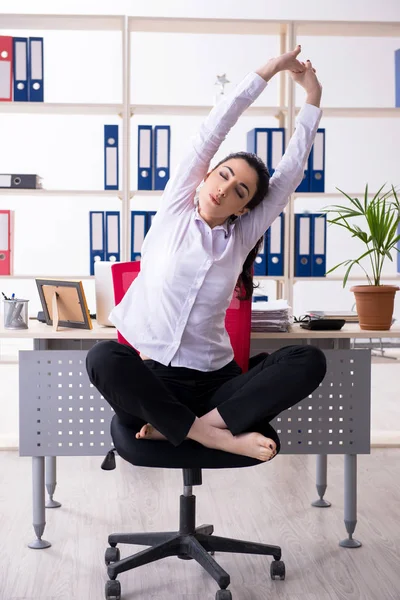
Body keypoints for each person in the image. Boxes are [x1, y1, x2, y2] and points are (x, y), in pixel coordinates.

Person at [86, 45, 327, 464]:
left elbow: (287, 178)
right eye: (223, 175)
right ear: (205, 176)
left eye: (241, 190)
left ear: (246, 208)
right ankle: (214, 436)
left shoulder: (241, 237)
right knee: (103, 356)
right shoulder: (174, 210)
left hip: (216, 387)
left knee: (308, 359)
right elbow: (213, 130)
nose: (225, 188)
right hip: (154, 382)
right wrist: (269, 70)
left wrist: (312, 101)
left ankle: (194, 427)